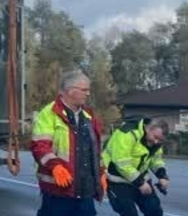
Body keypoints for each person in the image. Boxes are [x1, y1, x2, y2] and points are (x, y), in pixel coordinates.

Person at [30, 69, 107, 216]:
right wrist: (55, 166)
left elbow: (94, 150)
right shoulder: (49, 113)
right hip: (58, 190)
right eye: (84, 90)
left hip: (85, 190)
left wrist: (101, 172)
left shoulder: (89, 116)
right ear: (71, 91)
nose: (88, 94)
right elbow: (40, 146)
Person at [102, 118, 170, 216]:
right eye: (155, 137)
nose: (156, 142)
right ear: (148, 129)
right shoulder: (127, 134)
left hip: (140, 178)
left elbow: (156, 160)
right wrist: (140, 183)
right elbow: (121, 163)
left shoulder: (155, 142)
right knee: (129, 213)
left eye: (160, 140)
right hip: (117, 180)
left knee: (155, 211)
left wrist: (162, 175)